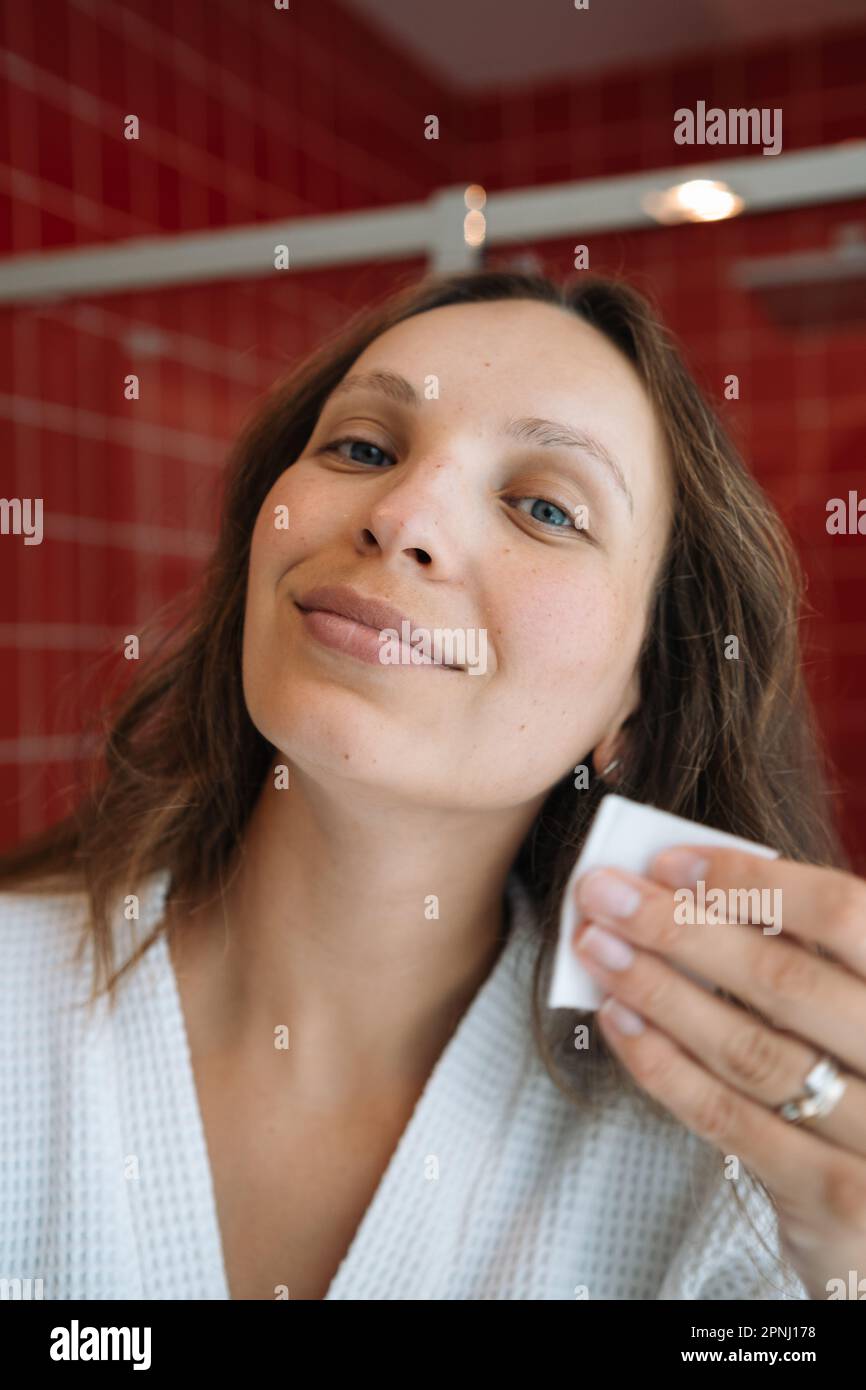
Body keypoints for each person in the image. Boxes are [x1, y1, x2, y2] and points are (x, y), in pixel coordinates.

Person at [1, 269, 863, 1301]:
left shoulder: (735, 1183)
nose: (399, 513)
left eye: (544, 506)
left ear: (630, 705)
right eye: (362, 448)